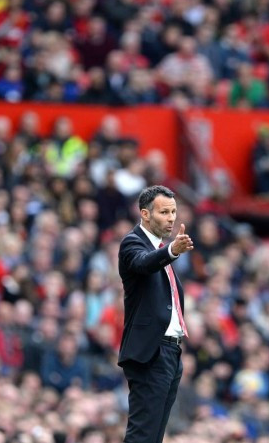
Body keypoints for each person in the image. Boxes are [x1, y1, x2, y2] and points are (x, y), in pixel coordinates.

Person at [117, 185, 194, 443]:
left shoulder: (159, 249)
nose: (171, 218)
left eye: (173, 212)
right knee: (143, 435)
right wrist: (172, 251)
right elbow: (143, 263)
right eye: (164, 212)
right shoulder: (133, 243)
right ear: (145, 214)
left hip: (170, 352)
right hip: (151, 352)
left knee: (153, 437)